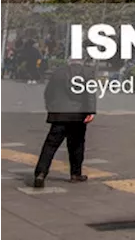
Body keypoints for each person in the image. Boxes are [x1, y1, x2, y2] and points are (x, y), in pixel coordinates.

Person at [33, 60, 97, 188]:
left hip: (59, 114)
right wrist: (91, 111)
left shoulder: (58, 72)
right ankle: (75, 174)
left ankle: (40, 173)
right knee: (77, 145)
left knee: (50, 145)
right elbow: (90, 93)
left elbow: (48, 92)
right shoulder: (87, 72)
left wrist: (50, 107)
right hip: (78, 115)